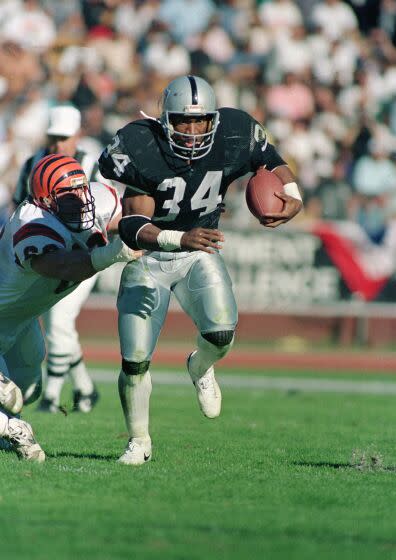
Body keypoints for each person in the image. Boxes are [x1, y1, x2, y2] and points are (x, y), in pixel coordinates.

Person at [98, 74, 303, 466]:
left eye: (201, 121)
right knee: (135, 358)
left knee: (222, 334)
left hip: (198, 251)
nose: (192, 131)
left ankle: (200, 365)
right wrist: (179, 238)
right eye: (183, 121)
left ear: (215, 120)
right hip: (148, 258)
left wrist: (292, 193)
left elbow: (270, 158)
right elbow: (131, 227)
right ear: (164, 121)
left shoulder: (235, 132)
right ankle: (138, 441)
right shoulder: (141, 145)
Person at [0, 154, 140, 462]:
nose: (79, 198)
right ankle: (14, 431)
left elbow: (127, 221)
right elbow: (61, 266)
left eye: (81, 188)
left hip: (21, 321)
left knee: (30, 390)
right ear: (46, 200)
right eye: (68, 193)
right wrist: (112, 253)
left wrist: (154, 232)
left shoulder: (96, 200)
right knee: (9, 404)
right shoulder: (32, 223)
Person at [13, 105, 112, 413]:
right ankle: (84, 388)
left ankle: (53, 395)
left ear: (77, 136)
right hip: (49, 251)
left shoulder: (93, 162)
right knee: (56, 322)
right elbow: (22, 208)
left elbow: (104, 208)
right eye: (53, 136)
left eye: (63, 137)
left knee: (59, 321)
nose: (57, 144)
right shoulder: (33, 162)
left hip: (84, 251)